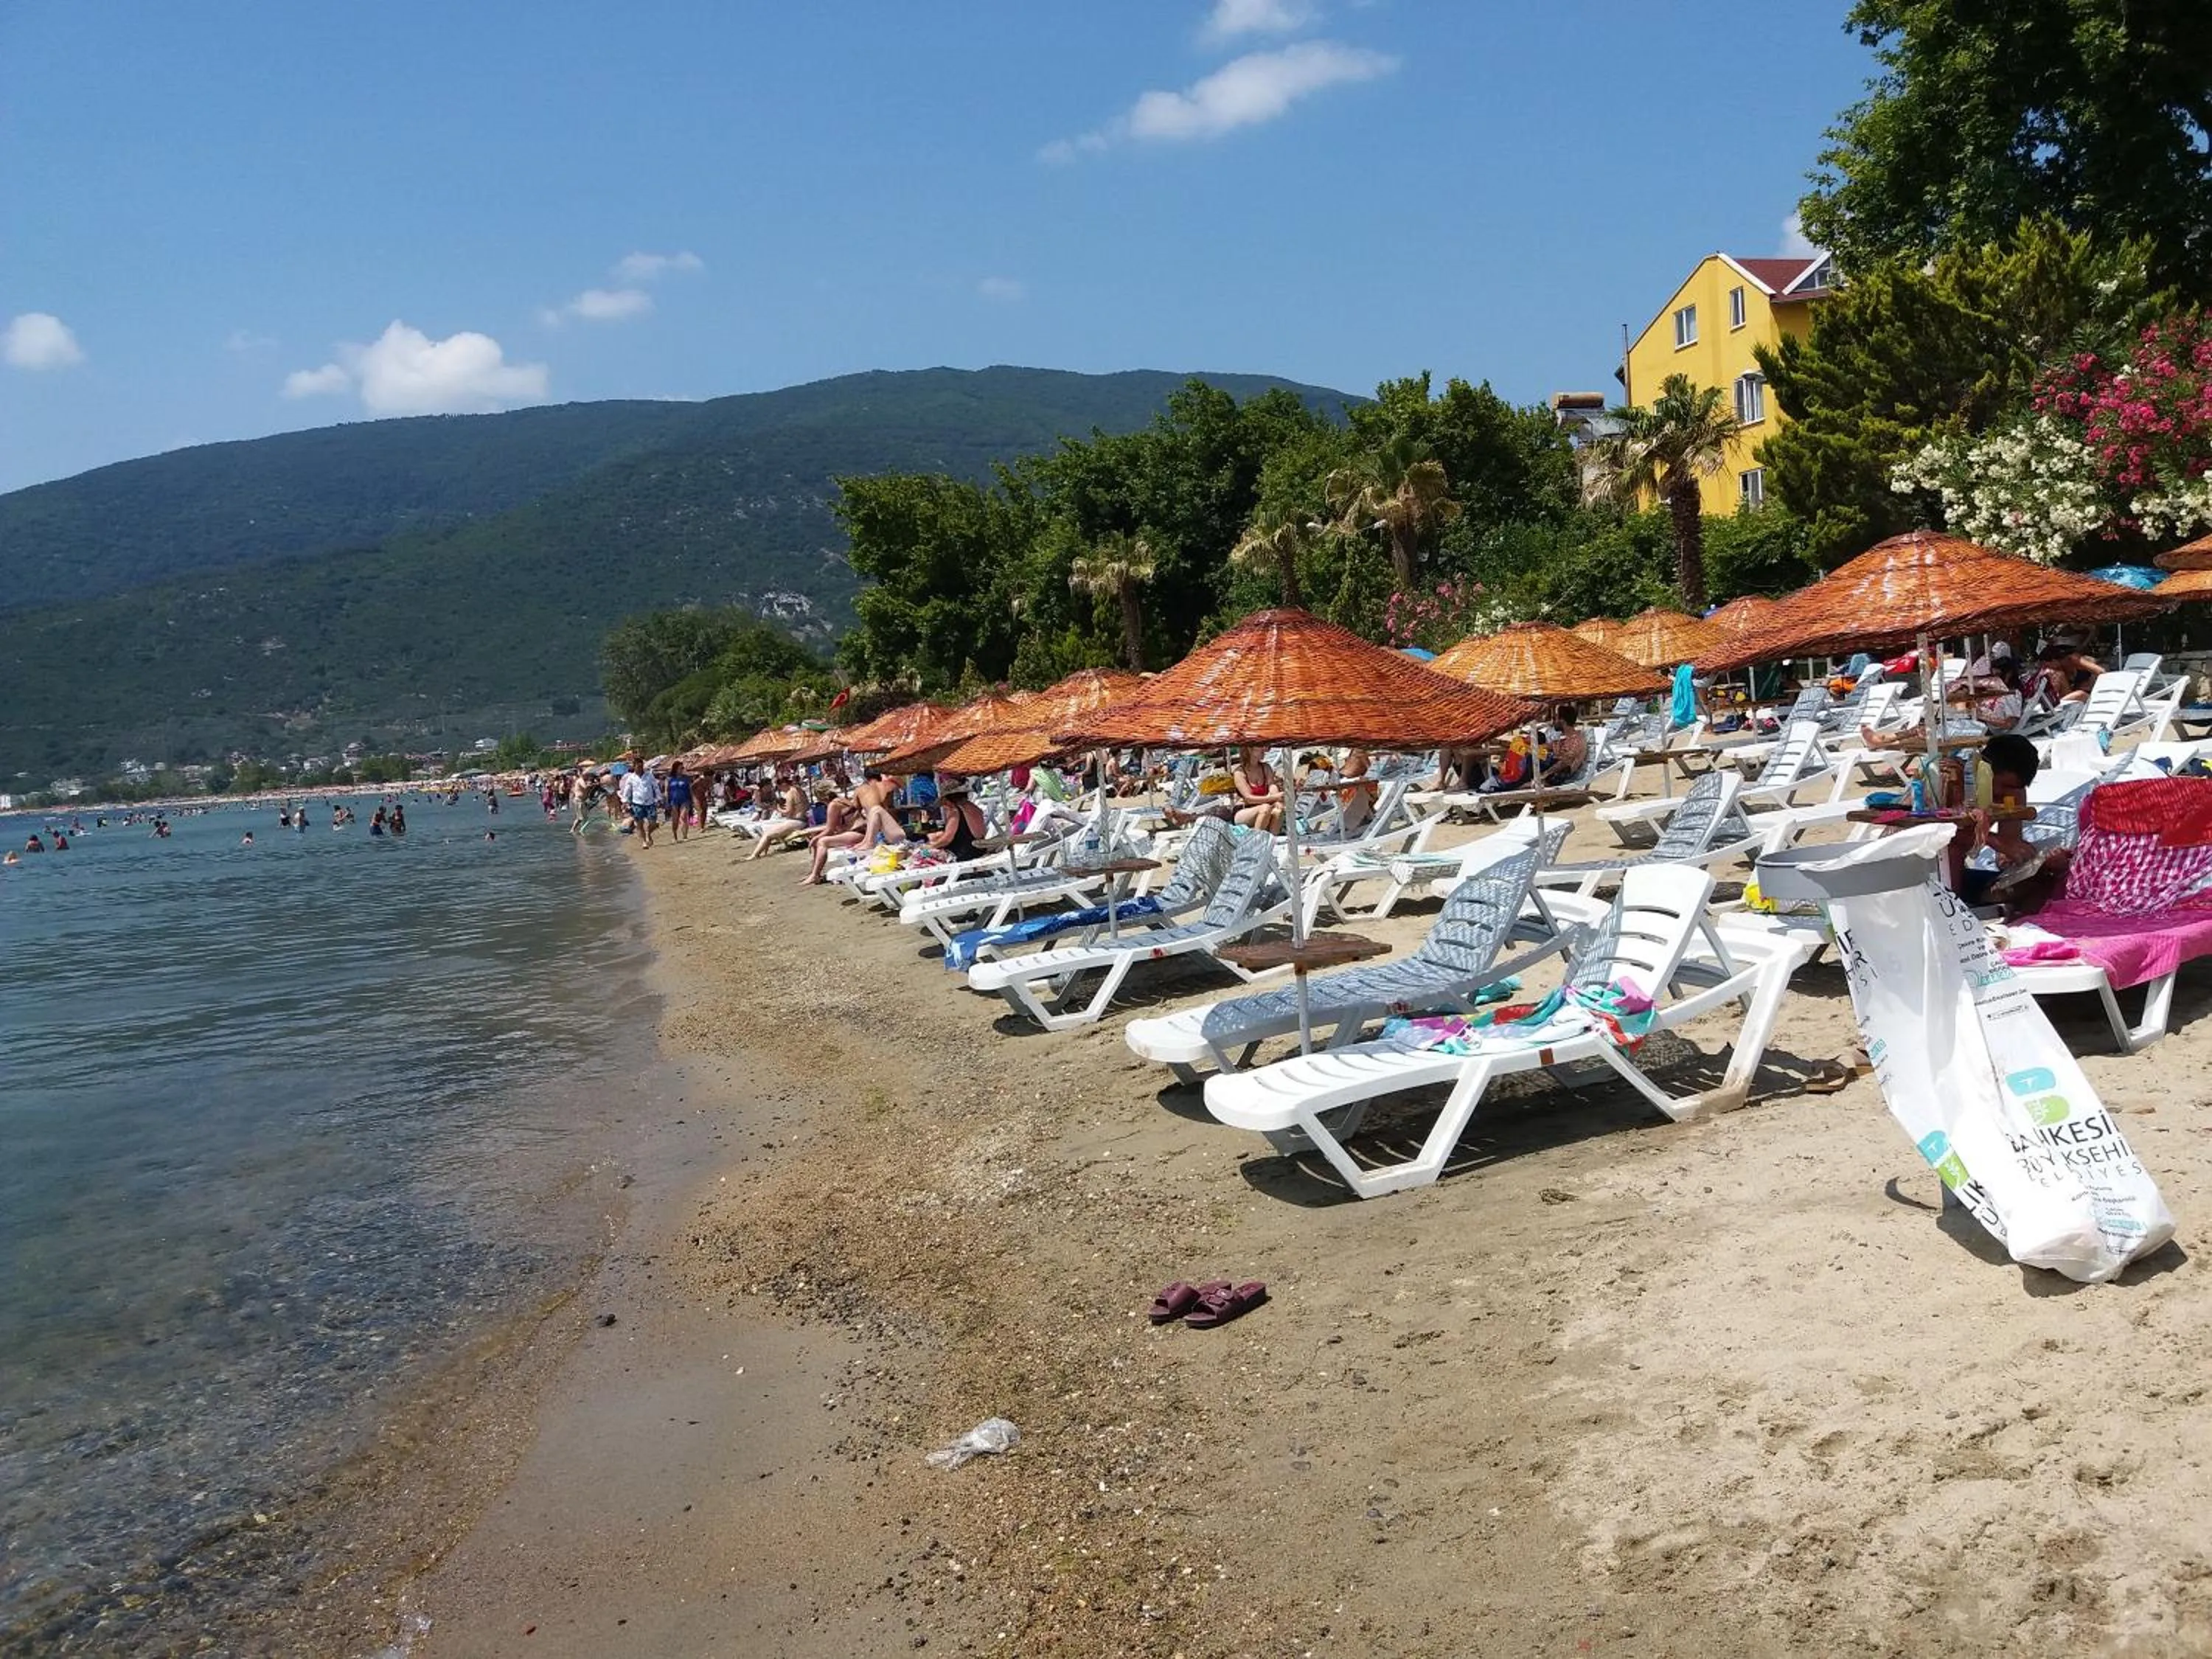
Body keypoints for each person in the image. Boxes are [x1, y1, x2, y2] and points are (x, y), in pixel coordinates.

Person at [1958, 733, 2047, 906]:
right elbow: (1940, 835)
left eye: (2013, 788)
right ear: (1985, 770)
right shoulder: (1958, 781)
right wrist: (1996, 842)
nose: (2002, 792)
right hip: (1931, 874)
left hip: (1961, 876)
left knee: (2041, 885)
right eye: (2003, 784)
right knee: (1953, 850)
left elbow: (2009, 844)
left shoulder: (2013, 791)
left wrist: (2017, 860)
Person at [928, 781, 988, 861]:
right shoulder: (974, 807)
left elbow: (947, 839)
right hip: (979, 849)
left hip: (963, 853)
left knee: (922, 854)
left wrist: (930, 846)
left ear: (949, 800)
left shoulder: (956, 811)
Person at [1231, 746, 1283, 832]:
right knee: (1265, 808)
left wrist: (1277, 799)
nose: (1264, 749)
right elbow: (1249, 799)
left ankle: (1272, 841)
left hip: (1264, 806)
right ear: (1249, 749)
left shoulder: (1266, 768)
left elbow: (1272, 786)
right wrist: (1274, 798)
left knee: (1278, 811)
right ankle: (1256, 841)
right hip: (1244, 810)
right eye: (1260, 746)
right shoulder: (1239, 772)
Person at [618, 763, 658, 848]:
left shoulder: (649, 775)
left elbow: (655, 786)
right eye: (637, 767)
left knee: (653, 823)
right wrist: (625, 801)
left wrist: (659, 798)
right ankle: (644, 841)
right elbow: (627, 790)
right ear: (634, 768)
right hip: (637, 803)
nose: (639, 769)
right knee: (639, 823)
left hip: (650, 802)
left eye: (640, 767)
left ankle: (648, 833)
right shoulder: (631, 778)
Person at [664, 761, 693, 844]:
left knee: (684, 817)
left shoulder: (686, 778)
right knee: (675, 820)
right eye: (681, 768)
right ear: (676, 769)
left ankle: (685, 836)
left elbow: (690, 790)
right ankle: (675, 835)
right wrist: (666, 801)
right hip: (673, 800)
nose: (682, 770)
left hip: (685, 800)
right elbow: (666, 791)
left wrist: (692, 800)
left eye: (682, 768)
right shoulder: (669, 779)